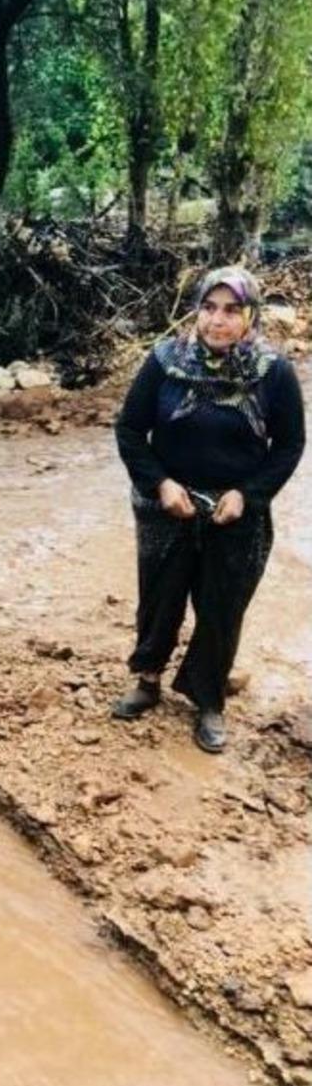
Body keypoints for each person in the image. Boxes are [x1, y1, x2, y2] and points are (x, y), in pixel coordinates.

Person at [112, 266, 305, 752]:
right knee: (160, 595)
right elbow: (130, 430)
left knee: (222, 605)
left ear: (250, 316)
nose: (218, 320)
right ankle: (148, 677)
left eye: (232, 310)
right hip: (167, 505)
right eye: (209, 307)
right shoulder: (164, 361)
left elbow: (290, 445)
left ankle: (208, 700)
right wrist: (160, 485)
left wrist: (248, 494)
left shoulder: (273, 372)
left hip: (236, 511)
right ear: (196, 310)